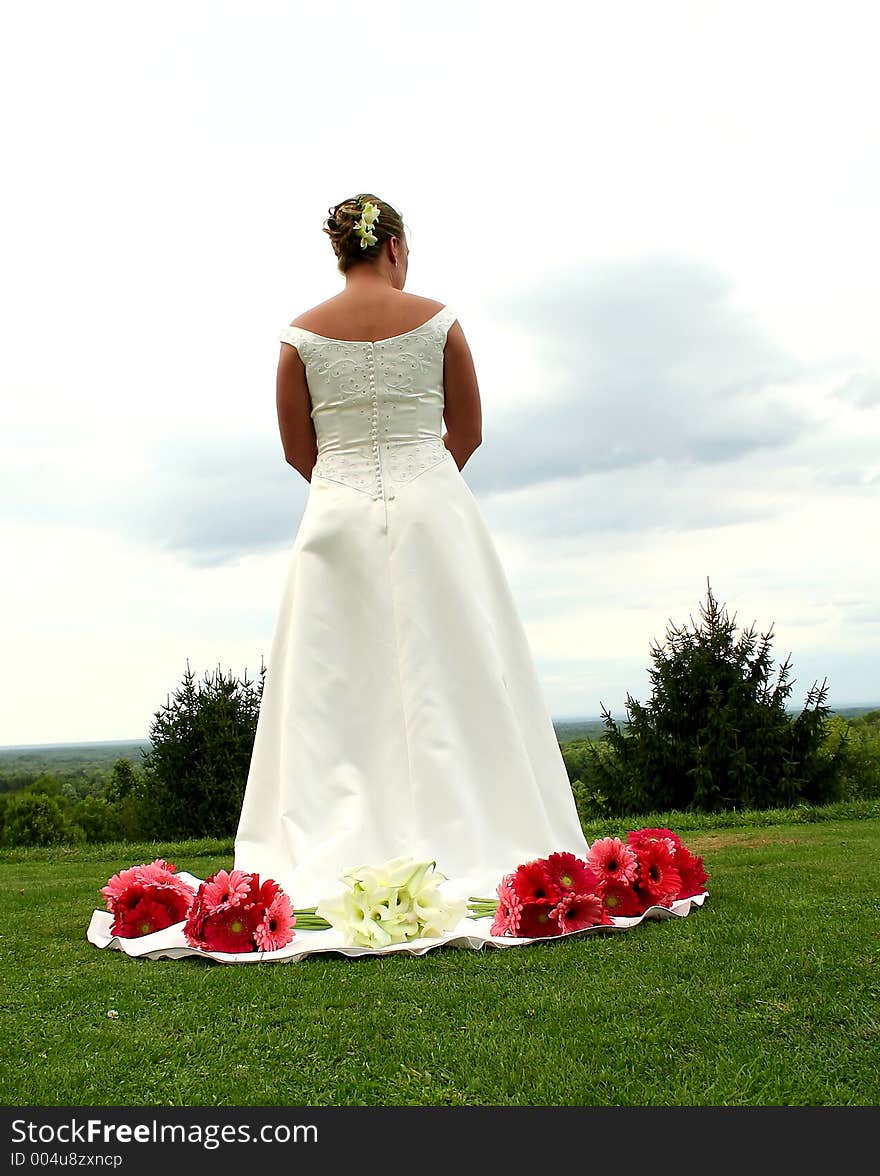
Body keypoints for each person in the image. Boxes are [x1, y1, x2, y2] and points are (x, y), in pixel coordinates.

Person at [232, 192, 591, 947]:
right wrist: (423, 481)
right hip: (435, 510)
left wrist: (349, 491)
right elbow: (470, 429)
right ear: (393, 246)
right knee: (459, 666)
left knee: (334, 679)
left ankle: (341, 834)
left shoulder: (298, 338)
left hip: (335, 511)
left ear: (344, 250)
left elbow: (300, 451)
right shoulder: (439, 321)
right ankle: (474, 821)